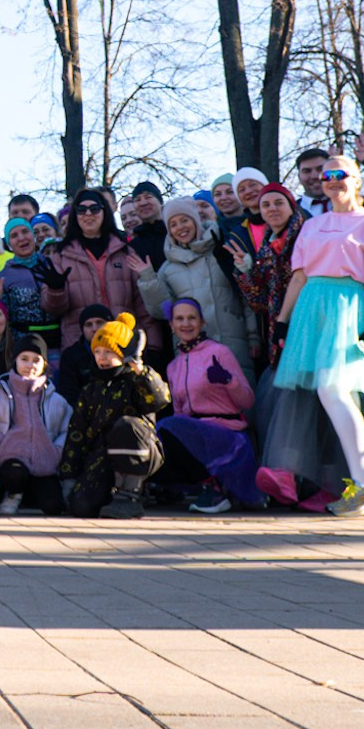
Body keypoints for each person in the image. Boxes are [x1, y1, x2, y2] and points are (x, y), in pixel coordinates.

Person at [270, 154, 364, 518]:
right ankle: (363, 481)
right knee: (335, 395)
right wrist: (282, 322)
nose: (331, 180)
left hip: (349, 309)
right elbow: (298, 277)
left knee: (333, 390)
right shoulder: (312, 225)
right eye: (326, 175)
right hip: (312, 310)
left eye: (340, 174)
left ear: (356, 180)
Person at [157, 299, 264, 514]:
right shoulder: (173, 366)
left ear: (202, 322)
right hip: (194, 431)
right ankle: (203, 485)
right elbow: (179, 413)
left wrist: (228, 381)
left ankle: (214, 489)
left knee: (168, 426)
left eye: (191, 318)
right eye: (179, 319)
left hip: (226, 433)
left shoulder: (219, 352)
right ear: (171, 325)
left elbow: (248, 401)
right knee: (157, 438)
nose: (186, 324)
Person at [134, 198, 257, 380]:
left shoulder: (221, 252)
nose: (180, 227)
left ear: (195, 221)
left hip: (234, 344)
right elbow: (162, 311)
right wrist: (148, 279)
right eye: (173, 224)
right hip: (192, 351)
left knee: (242, 398)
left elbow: (245, 297)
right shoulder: (167, 269)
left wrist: (254, 336)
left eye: (185, 220)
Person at [59, 315, 168, 519]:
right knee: (81, 507)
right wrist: (69, 478)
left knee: (127, 426)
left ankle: (131, 495)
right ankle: (110, 496)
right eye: (98, 352)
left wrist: (139, 369)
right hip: (103, 457)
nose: (102, 357)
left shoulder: (137, 379)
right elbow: (77, 433)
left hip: (142, 451)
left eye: (109, 352)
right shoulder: (91, 389)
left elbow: (160, 399)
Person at [0, 333, 71, 514]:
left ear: (44, 364)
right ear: (15, 361)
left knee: (53, 506)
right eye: (24, 359)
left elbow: (67, 428)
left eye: (36, 360)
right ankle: (12, 495)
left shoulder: (56, 400)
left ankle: (29, 495)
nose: (30, 365)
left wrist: (58, 450)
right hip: (10, 461)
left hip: (44, 463)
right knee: (14, 474)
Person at [42, 189, 151, 353]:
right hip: (79, 347)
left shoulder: (125, 251)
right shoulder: (61, 256)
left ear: (104, 212)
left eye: (94, 209)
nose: (88, 214)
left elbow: (143, 305)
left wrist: (153, 346)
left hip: (123, 342)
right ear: (75, 215)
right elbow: (52, 309)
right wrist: (56, 291)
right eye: (81, 209)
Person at [230, 184, 308, 370]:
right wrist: (245, 271)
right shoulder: (266, 248)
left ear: (291, 207)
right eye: (266, 205)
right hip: (280, 330)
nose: (272, 208)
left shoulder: (308, 233)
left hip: (309, 320)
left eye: (278, 203)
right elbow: (259, 302)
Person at [126, 182, 168, 269]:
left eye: (148, 197)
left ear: (160, 202)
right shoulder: (133, 246)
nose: (143, 203)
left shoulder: (174, 233)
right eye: (137, 200)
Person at [293, 148, 331, 219]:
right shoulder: (290, 213)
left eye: (320, 169)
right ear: (299, 177)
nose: (315, 176)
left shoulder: (351, 206)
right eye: (307, 171)